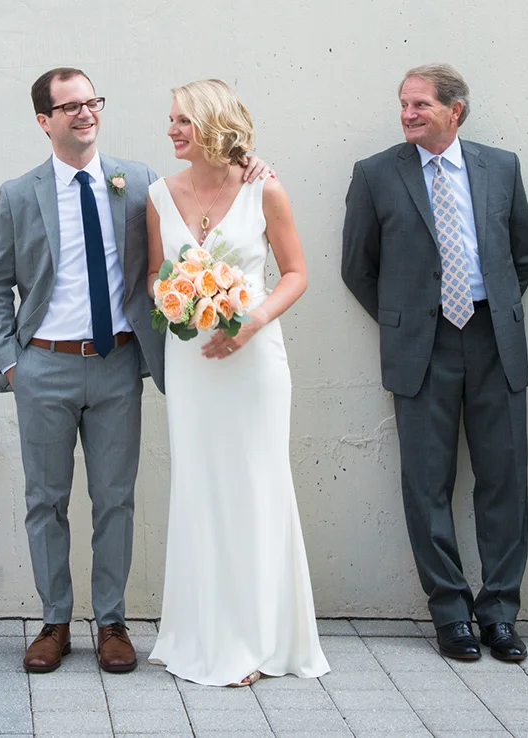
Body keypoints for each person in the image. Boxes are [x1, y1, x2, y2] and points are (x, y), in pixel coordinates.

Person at [0, 67, 267, 675]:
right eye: (70, 106)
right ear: (44, 121)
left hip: (116, 366)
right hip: (44, 368)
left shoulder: (137, 180)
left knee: (115, 499)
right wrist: (11, 363)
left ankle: (112, 621)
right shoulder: (17, 194)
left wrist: (252, 166)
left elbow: (206, 190)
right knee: (45, 500)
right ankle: (55, 620)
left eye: (92, 102)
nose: (85, 114)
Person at [340, 64, 528, 663]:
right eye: (403, 104)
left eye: (420, 104)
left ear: (456, 110)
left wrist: (488, 309)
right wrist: (407, 320)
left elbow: (523, 254)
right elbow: (357, 267)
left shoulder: (500, 167)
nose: (407, 114)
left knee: (504, 481)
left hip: (491, 338)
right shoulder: (376, 174)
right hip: (420, 349)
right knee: (427, 485)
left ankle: (498, 613)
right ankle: (450, 612)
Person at [144, 80, 327, 686]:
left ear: (212, 124)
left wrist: (251, 321)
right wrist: (176, 298)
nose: (171, 130)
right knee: (200, 488)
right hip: (191, 359)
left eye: (182, 121)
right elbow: (152, 275)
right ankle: (203, 634)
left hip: (253, 359)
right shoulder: (158, 195)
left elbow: (296, 273)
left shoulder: (262, 187)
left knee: (256, 486)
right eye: (170, 120)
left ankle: (258, 640)